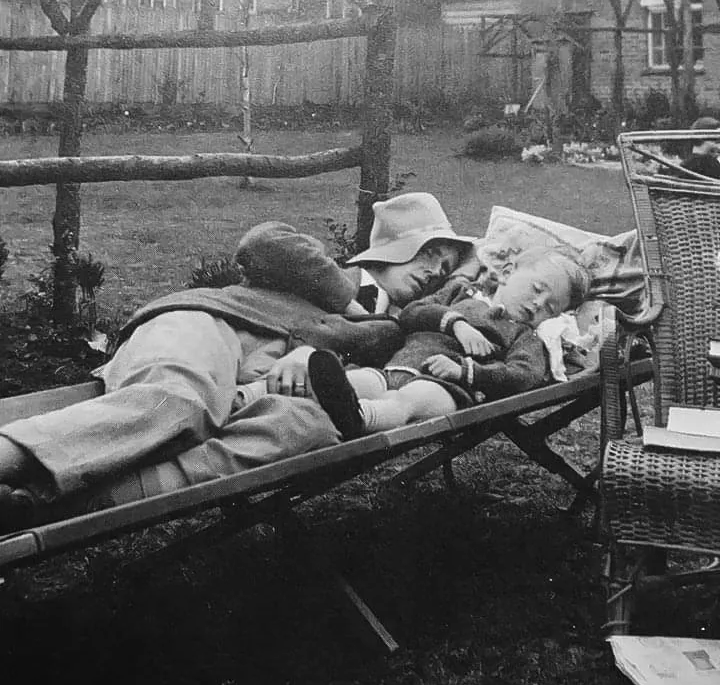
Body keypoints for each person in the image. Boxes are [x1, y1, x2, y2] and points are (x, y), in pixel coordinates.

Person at [0, 192, 475, 529]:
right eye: (430, 254)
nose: (436, 270)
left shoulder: (397, 328)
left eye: (445, 267)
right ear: (392, 248)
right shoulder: (327, 273)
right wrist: (347, 303)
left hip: (249, 391)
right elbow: (262, 241)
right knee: (180, 403)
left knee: (306, 429)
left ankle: (32, 507)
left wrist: (316, 356)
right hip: (210, 330)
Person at [306, 246, 592, 440]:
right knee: (360, 381)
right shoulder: (460, 292)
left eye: (550, 308)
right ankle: (303, 394)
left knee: (407, 400)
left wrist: (466, 371)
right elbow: (411, 313)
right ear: (507, 272)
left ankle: (360, 418)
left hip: (448, 389)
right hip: (396, 368)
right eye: (537, 288)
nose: (538, 303)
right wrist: (456, 323)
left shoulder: (525, 337)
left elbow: (523, 375)